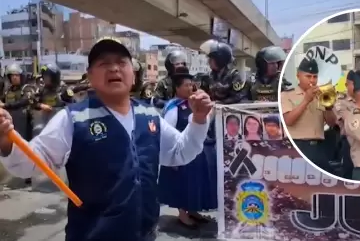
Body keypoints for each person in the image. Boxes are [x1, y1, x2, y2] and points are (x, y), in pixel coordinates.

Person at [0, 38, 212, 241]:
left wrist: (199, 120)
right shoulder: (72, 119)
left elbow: (179, 152)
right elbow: (28, 165)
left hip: (145, 235)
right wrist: (7, 138)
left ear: (133, 72)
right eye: (104, 63)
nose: (114, 68)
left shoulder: (149, 115)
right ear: (90, 76)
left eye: (121, 62)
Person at [158, 66, 217, 228]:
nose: (190, 87)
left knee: (195, 185)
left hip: (197, 154)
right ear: (177, 88)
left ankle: (192, 210)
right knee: (182, 185)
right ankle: (182, 214)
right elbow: (170, 131)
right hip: (181, 154)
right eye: (186, 85)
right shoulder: (173, 107)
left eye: (191, 84)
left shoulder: (194, 103)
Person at [280, 58, 337, 172]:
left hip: (319, 148)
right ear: (298, 76)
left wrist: (329, 107)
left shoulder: (320, 95)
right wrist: (306, 100)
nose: (312, 80)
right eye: (308, 76)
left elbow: (332, 123)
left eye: (315, 77)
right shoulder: (287, 95)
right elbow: (288, 121)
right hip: (299, 147)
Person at [0, 63, 35, 185]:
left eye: (16, 75)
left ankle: (28, 174)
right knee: (12, 148)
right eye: (12, 76)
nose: (14, 78)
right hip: (11, 121)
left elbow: (25, 101)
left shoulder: (27, 88)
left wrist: (6, 105)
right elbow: (3, 102)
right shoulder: (7, 90)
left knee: (26, 146)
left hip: (24, 120)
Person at [31, 64, 74, 137]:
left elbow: (73, 107)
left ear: (54, 77)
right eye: (44, 76)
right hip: (46, 124)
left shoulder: (63, 90)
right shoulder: (43, 90)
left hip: (61, 126)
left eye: (47, 76)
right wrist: (41, 105)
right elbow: (31, 101)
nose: (44, 78)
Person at [333, 70, 360, 178]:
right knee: (349, 174)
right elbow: (349, 121)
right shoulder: (341, 101)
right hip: (349, 142)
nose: (357, 86)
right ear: (346, 85)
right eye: (353, 83)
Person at [200, 39, 247, 104]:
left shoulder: (234, 76)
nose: (209, 61)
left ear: (220, 59)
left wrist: (219, 103)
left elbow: (237, 97)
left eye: (211, 59)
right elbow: (203, 94)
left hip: (228, 112)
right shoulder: (208, 76)